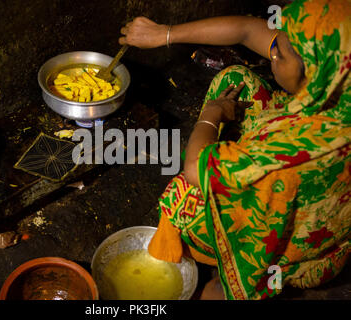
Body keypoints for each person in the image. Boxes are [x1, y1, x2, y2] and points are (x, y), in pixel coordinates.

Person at [119, 0, 350, 299]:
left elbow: (193, 171)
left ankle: (237, 274)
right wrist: (164, 33)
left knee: (182, 196)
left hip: (289, 237)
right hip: (327, 207)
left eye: (279, 53)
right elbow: (246, 30)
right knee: (237, 80)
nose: (272, 54)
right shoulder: (339, 70)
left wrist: (211, 115)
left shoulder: (288, 152)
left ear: (314, 74)